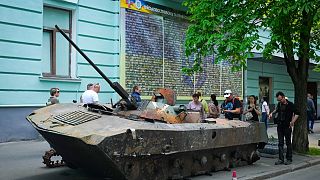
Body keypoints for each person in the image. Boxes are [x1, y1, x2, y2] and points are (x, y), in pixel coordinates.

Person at [269, 91, 299, 165]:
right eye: (278, 100)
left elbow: (297, 113)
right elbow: (277, 110)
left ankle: (289, 158)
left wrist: (292, 122)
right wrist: (272, 113)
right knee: (280, 143)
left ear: (283, 97)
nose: (280, 101)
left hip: (287, 126)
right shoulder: (279, 104)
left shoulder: (290, 104)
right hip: (280, 125)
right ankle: (281, 159)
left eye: (280, 99)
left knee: (288, 143)